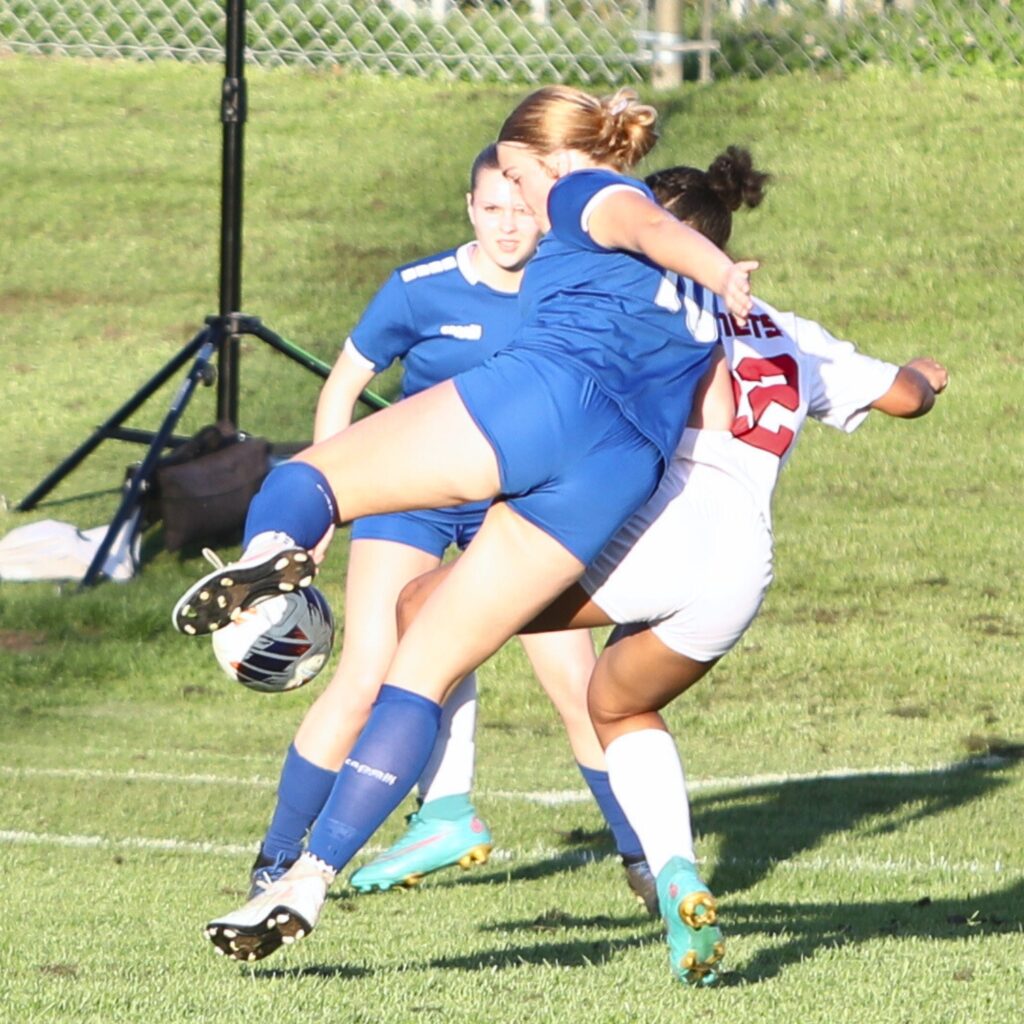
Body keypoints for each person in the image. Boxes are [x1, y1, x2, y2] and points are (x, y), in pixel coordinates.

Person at [179, 84, 757, 963]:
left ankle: (269, 555)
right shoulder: (694, 302)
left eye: (516, 175)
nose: (519, 197)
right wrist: (712, 281)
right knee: (425, 668)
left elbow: (643, 225)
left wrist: (716, 266)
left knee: (308, 477)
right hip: (616, 474)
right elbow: (713, 414)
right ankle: (310, 877)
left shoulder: (582, 185)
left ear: (537, 156)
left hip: (550, 395)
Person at [393, 148, 949, 985]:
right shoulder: (789, 332)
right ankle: (677, 874)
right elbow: (904, 396)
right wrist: (926, 377)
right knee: (616, 702)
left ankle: (447, 807)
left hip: (658, 528)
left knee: (427, 602)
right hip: (742, 565)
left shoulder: (652, 310)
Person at [244, 145, 641, 904]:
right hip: (417, 496)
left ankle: (641, 855)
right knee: (368, 673)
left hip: (521, 502)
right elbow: (345, 387)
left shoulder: (566, 286)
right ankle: (275, 859)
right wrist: (331, 494)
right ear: (468, 209)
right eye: (492, 208)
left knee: (579, 682)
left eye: (522, 208)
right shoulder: (418, 289)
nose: (508, 224)